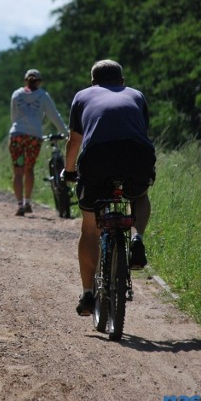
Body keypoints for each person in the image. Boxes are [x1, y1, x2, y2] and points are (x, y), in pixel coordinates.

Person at [61, 59, 156, 316]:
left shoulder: (82, 96)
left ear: (93, 82)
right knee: (139, 195)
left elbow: (74, 141)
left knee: (90, 227)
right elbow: (141, 132)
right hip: (137, 154)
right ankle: (137, 237)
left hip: (97, 158)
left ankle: (88, 294)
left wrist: (69, 171)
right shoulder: (136, 95)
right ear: (122, 81)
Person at [9, 68, 68, 216]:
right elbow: (54, 115)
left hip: (17, 135)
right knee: (29, 169)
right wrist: (66, 133)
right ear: (39, 82)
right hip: (33, 137)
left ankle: (19, 205)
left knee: (17, 171)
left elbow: (13, 116)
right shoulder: (43, 96)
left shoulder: (16, 94)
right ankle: (28, 202)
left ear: (25, 80)